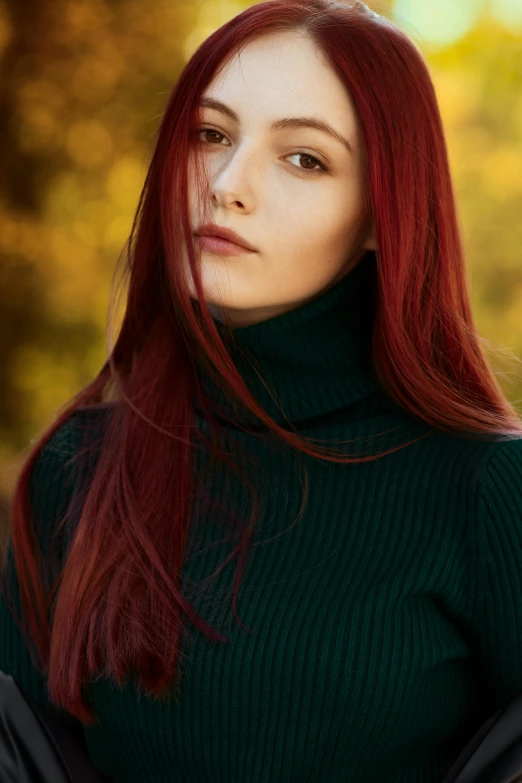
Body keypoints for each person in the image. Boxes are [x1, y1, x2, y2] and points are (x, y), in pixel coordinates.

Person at [2, 0, 522, 781]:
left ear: (385, 212)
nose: (226, 185)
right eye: (209, 135)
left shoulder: (486, 490)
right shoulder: (75, 469)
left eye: (305, 158)